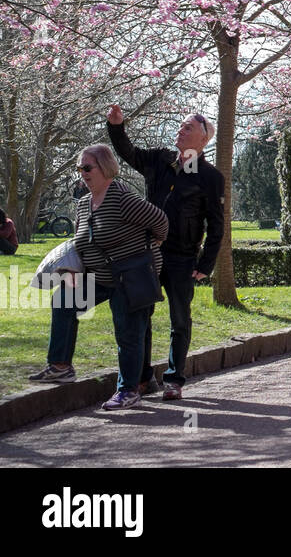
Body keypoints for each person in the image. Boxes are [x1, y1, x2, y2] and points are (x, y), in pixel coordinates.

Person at [29, 145, 168, 410]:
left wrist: (152, 245)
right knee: (64, 298)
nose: (82, 173)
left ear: (105, 167)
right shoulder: (83, 204)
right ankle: (60, 366)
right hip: (100, 276)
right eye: (79, 168)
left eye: (87, 167)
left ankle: (128, 390)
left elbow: (161, 221)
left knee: (127, 332)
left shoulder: (122, 199)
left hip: (131, 277)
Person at [106, 105, 223, 402]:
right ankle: (143, 377)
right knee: (141, 315)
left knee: (179, 320)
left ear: (204, 137)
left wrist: (205, 263)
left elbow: (217, 225)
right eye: (180, 126)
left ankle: (174, 380)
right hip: (148, 252)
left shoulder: (210, 177)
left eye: (188, 128)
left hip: (183, 258)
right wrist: (117, 127)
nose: (180, 131)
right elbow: (127, 152)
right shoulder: (160, 159)